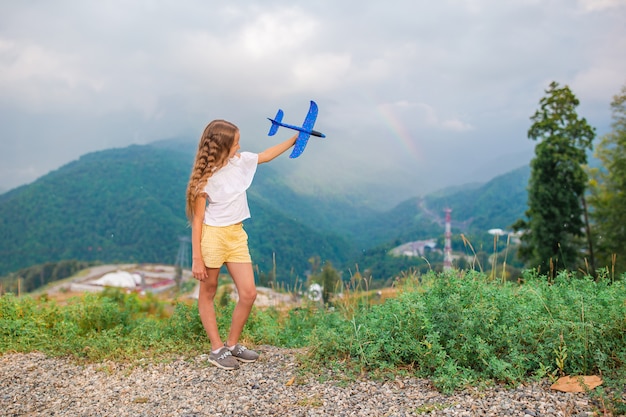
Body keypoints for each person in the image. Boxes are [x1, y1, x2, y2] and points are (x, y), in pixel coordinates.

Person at [185, 119, 297, 370]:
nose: (239, 146)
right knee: (209, 292)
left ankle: (232, 345)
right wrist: (197, 258)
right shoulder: (205, 180)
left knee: (249, 293)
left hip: (236, 235)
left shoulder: (240, 161)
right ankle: (217, 349)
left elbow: (266, 155)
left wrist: (295, 140)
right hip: (212, 237)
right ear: (222, 147)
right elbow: (198, 220)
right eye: (235, 142)